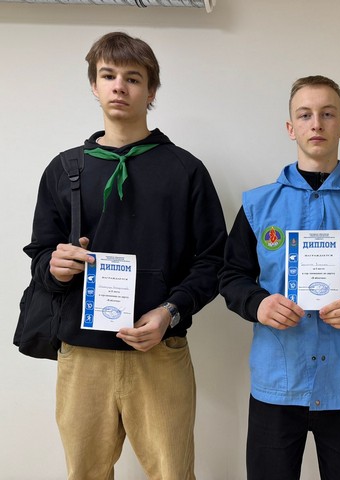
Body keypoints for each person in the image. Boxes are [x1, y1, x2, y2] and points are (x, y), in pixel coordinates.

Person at [24, 32, 227, 479]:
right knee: (84, 474)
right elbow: (40, 254)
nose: (119, 86)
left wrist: (170, 311)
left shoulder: (185, 170)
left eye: (133, 78)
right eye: (108, 75)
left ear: (151, 91)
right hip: (82, 355)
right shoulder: (64, 169)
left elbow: (214, 261)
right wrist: (55, 267)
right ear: (94, 86)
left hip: (160, 351)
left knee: (173, 474)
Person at [219, 75, 340, 480]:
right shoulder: (257, 205)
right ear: (291, 128)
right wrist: (259, 304)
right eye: (305, 115)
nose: (316, 124)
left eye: (327, 114)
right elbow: (232, 276)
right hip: (276, 381)